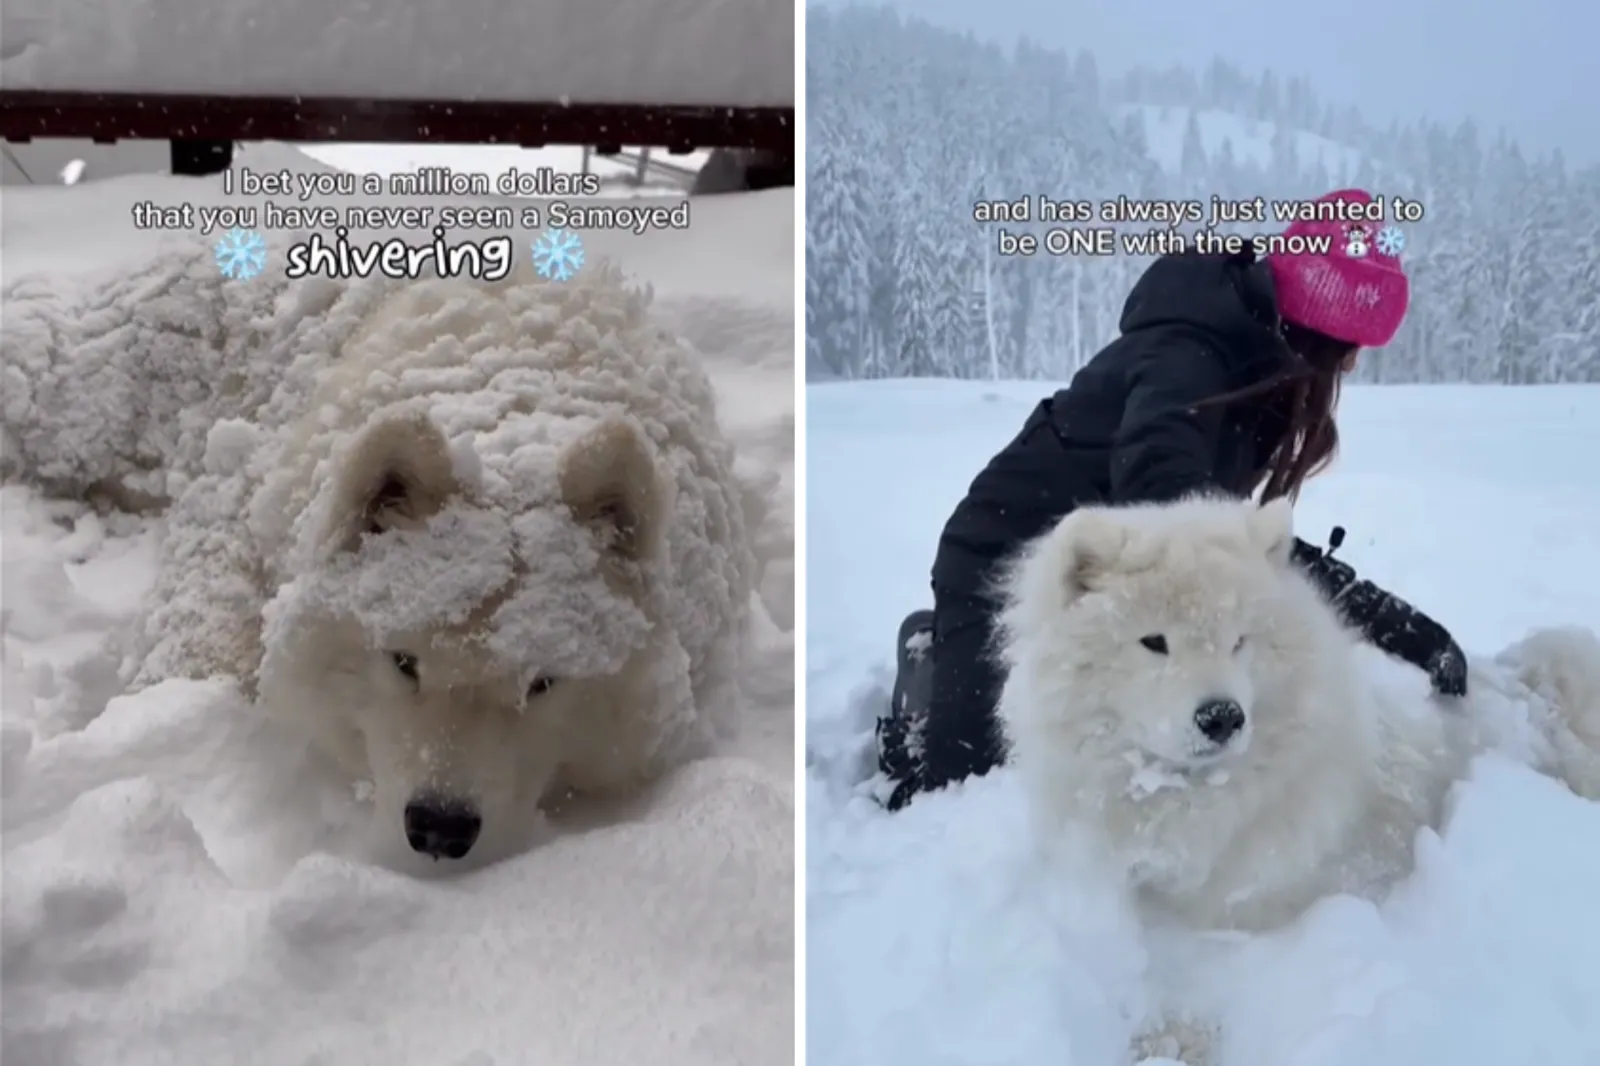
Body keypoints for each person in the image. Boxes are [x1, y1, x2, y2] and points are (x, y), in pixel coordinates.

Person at [879, 188, 1469, 812]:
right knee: (965, 800)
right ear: (1316, 325)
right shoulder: (1185, 361)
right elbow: (1192, 521)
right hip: (1001, 559)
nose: (1349, 364)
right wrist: (1381, 618)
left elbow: (1227, 541)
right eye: (1347, 348)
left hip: (1125, 600)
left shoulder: (1254, 355)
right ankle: (935, 665)